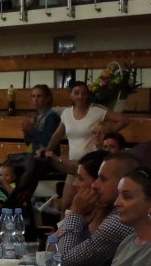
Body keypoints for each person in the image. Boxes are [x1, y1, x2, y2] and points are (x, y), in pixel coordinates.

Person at [57, 151, 139, 266]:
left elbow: (63, 261)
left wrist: (75, 214)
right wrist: (80, 223)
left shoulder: (120, 221)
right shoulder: (118, 215)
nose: (95, 185)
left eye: (102, 179)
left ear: (123, 183)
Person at [43, 81, 130, 212]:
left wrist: (106, 134)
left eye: (84, 93)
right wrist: (47, 149)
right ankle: (62, 232)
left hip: (91, 166)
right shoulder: (66, 113)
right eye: (76, 93)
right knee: (66, 205)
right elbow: (57, 135)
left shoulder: (96, 111)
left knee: (90, 206)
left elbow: (124, 119)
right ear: (70, 95)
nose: (80, 96)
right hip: (73, 167)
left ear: (88, 95)